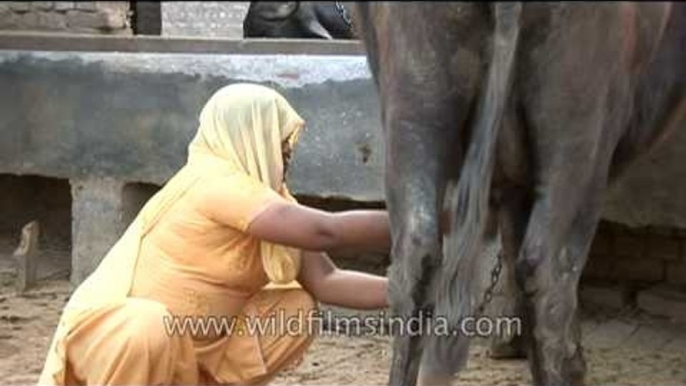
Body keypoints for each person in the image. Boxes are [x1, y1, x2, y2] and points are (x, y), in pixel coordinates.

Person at [38, 83, 390, 386]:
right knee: (148, 325)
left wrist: (413, 289)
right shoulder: (213, 181)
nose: (286, 155)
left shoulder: (274, 200)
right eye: (279, 144)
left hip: (192, 350)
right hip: (116, 344)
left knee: (296, 307)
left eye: (288, 148)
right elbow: (324, 231)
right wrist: (425, 221)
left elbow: (327, 279)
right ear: (249, 138)